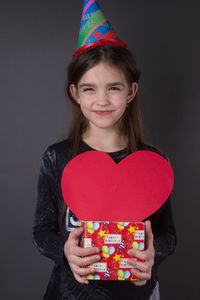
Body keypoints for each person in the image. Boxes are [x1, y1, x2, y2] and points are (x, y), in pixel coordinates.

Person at [32, 1, 177, 299]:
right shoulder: (57, 158)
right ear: (74, 93)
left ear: (131, 91)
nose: (102, 100)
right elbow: (41, 231)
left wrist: (153, 254)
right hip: (71, 291)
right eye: (89, 88)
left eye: (113, 88)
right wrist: (64, 249)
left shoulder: (152, 163)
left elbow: (168, 235)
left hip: (136, 291)